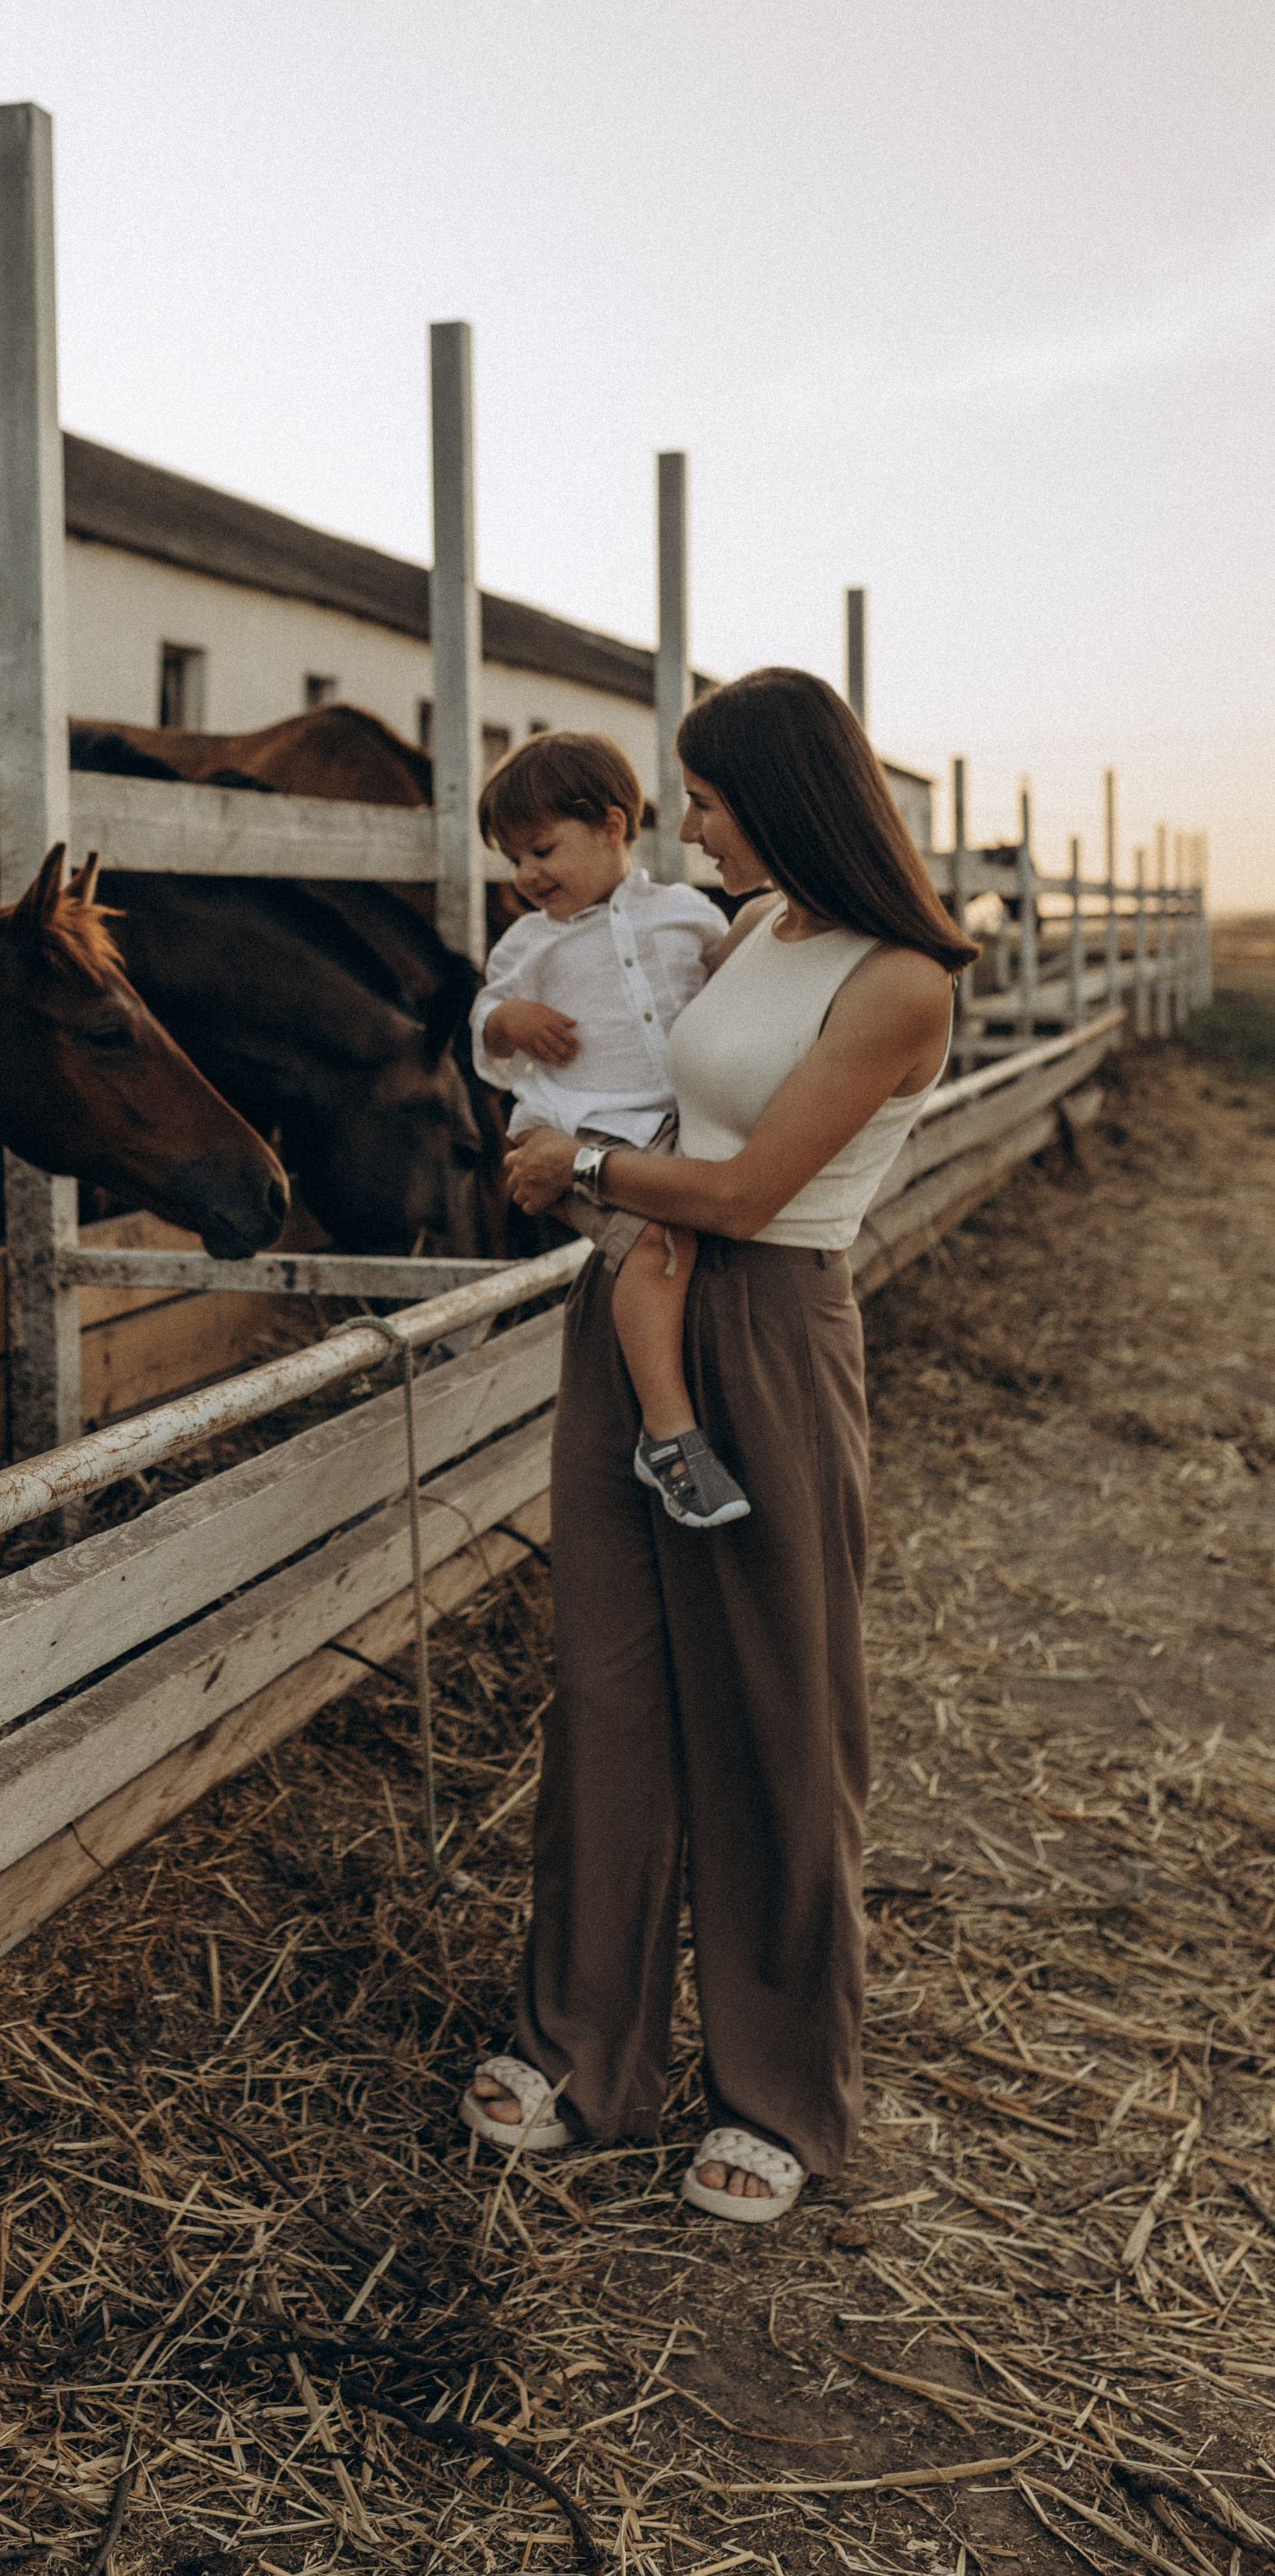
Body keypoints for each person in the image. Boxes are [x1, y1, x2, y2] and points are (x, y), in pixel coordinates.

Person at [461, 669, 974, 2226]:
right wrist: (544, 1131)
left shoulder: (899, 980)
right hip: (629, 1301)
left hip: (763, 1325)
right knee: (608, 1687)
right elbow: (612, 1066)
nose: (685, 824)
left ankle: (777, 2089)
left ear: (783, 793)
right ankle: (580, 2045)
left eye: (704, 796)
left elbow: (747, 1191)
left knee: (772, 1704)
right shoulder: (750, 933)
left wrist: (584, 1162)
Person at [472, 731, 749, 1530]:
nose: (525, 876)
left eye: (541, 850)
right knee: (659, 1244)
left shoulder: (684, 913)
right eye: (511, 860)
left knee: (693, 1236)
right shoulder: (527, 943)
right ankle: (668, 1437)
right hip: (574, 1128)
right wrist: (506, 1019)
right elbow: (483, 1027)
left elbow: (731, 977)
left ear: (612, 826)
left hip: (670, 1123)